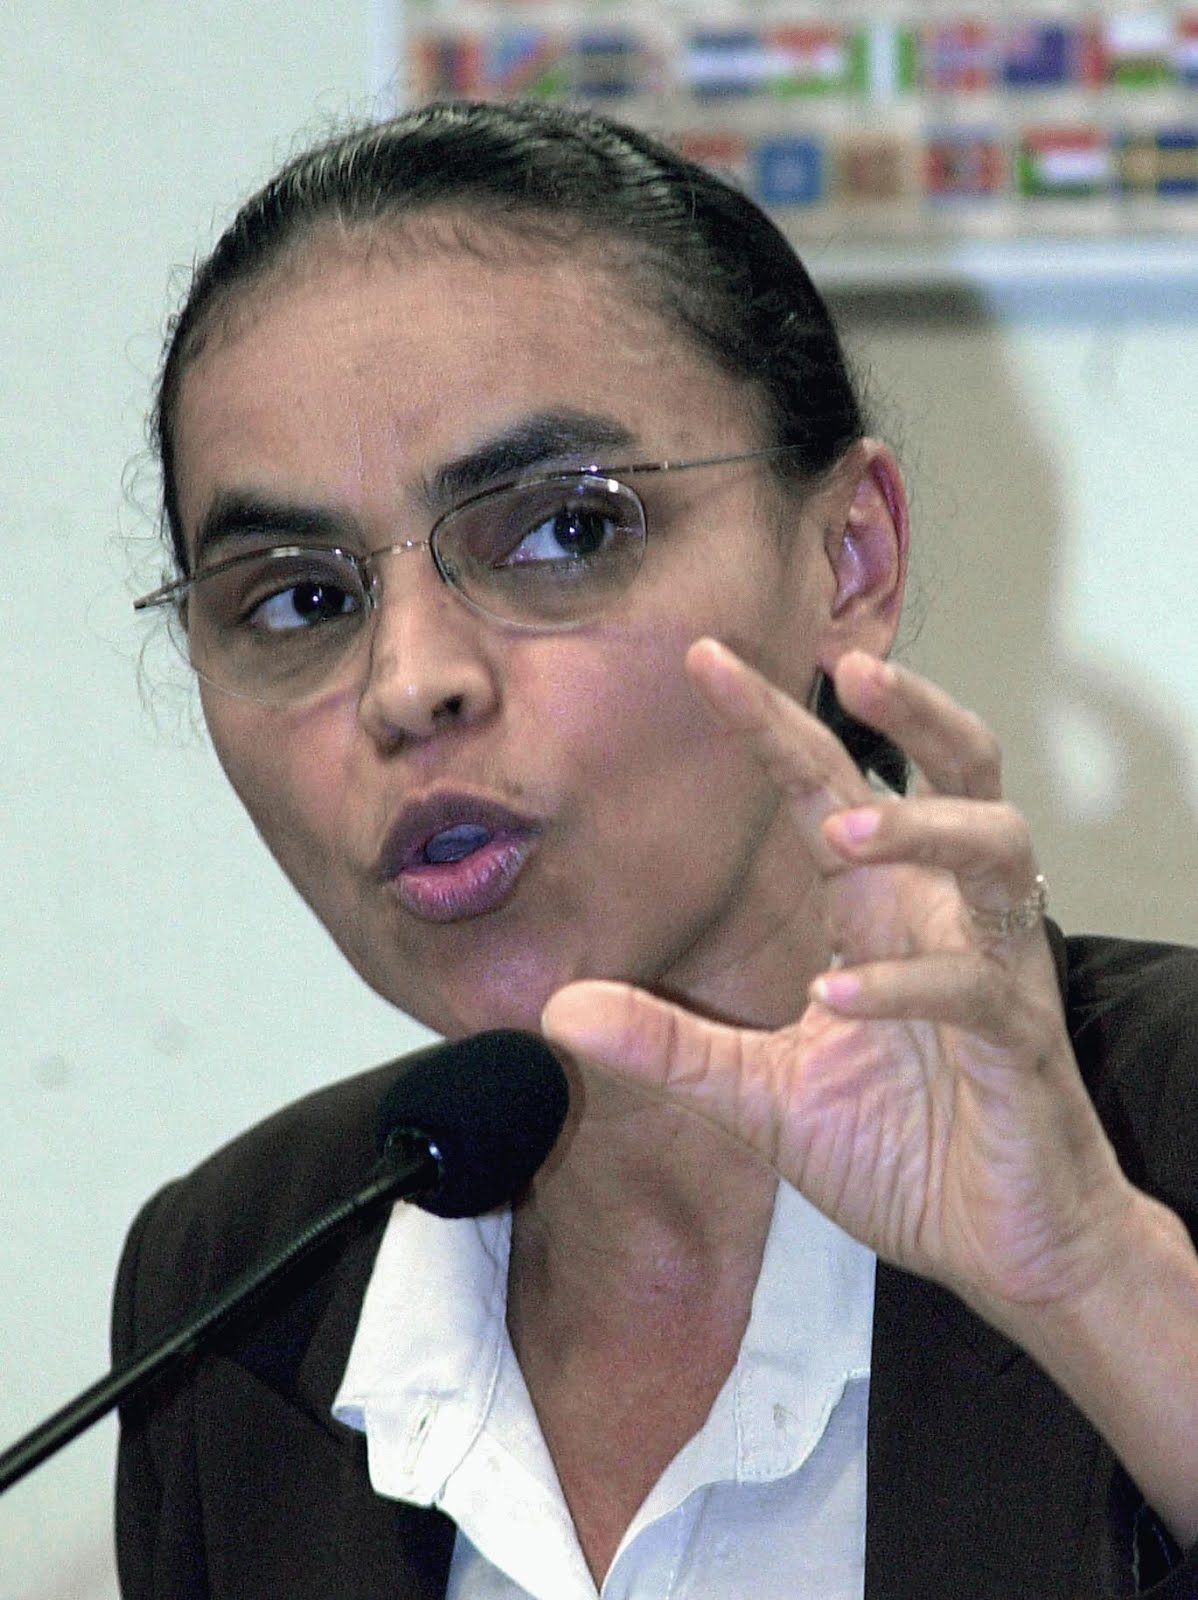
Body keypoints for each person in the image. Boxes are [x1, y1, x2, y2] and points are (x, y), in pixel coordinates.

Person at [114, 98, 1198, 1599]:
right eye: (300, 599)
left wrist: (1094, 1283)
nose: (408, 684)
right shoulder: (235, 1287)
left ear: (849, 560)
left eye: (564, 530)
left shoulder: (1165, 1125)